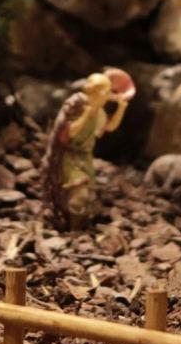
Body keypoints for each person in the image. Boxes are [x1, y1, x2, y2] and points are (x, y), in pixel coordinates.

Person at [42, 68, 136, 230]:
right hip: (69, 157)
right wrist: (88, 112)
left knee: (88, 194)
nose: (109, 95)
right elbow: (68, 134)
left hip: (85, 157)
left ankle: (80, 228)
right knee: (79, 195)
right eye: (106, 91)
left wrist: (121, 108)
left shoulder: (99, 113)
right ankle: (74, 230)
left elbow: (110, 127)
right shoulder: (78, 106)